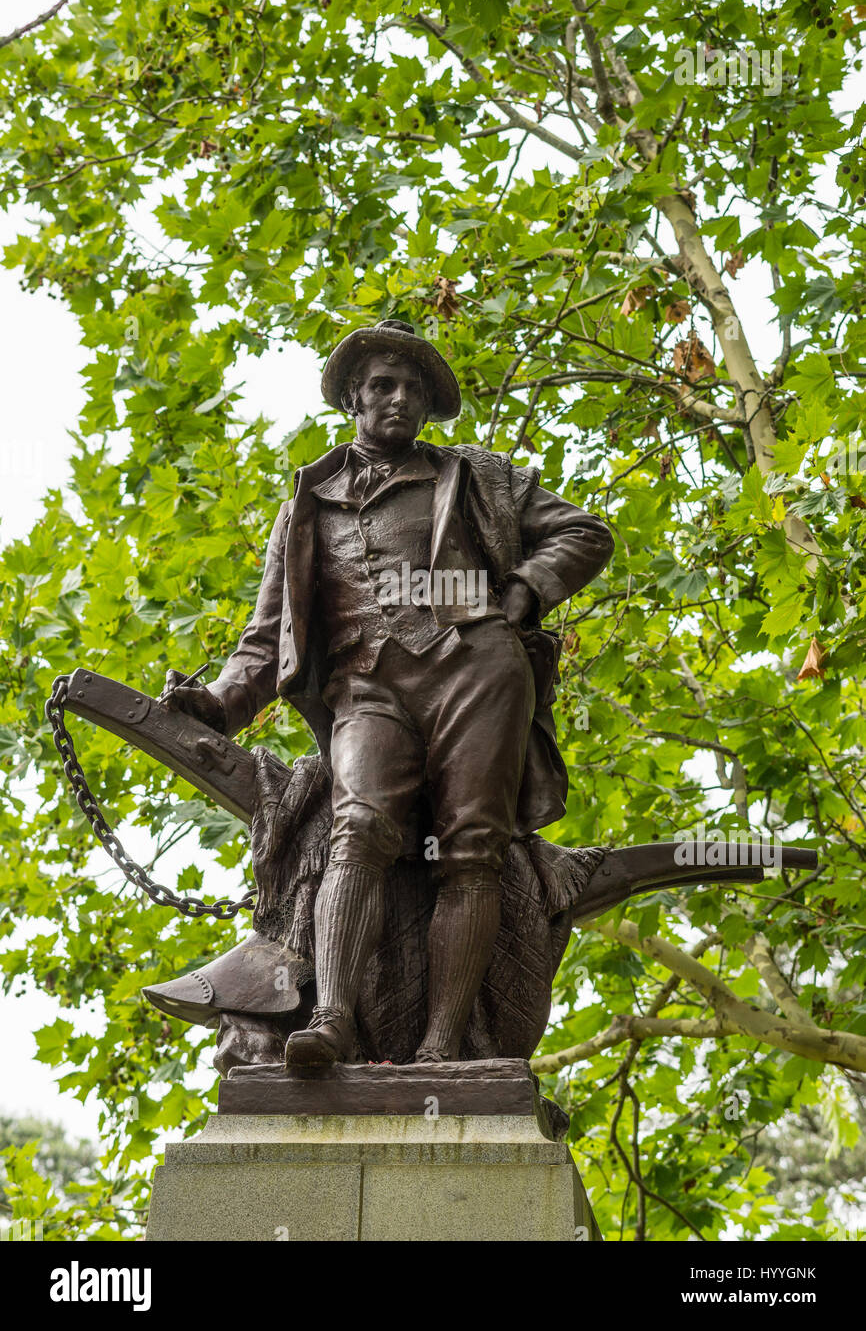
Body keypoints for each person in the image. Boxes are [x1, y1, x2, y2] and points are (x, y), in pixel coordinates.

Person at [163, 319, 614, 1065]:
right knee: (358, 830)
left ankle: (442, 1047)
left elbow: (585, 533)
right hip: (367, 686)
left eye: (414, 389)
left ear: (431, 406)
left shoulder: (474, 477)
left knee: (473, 851)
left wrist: (523, 594)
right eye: (382, 385)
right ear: (352, 398)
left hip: (477, 671)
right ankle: (332, 1020)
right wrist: (217, 703)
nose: (399, 399)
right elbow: (266, 636)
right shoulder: (305, 505)